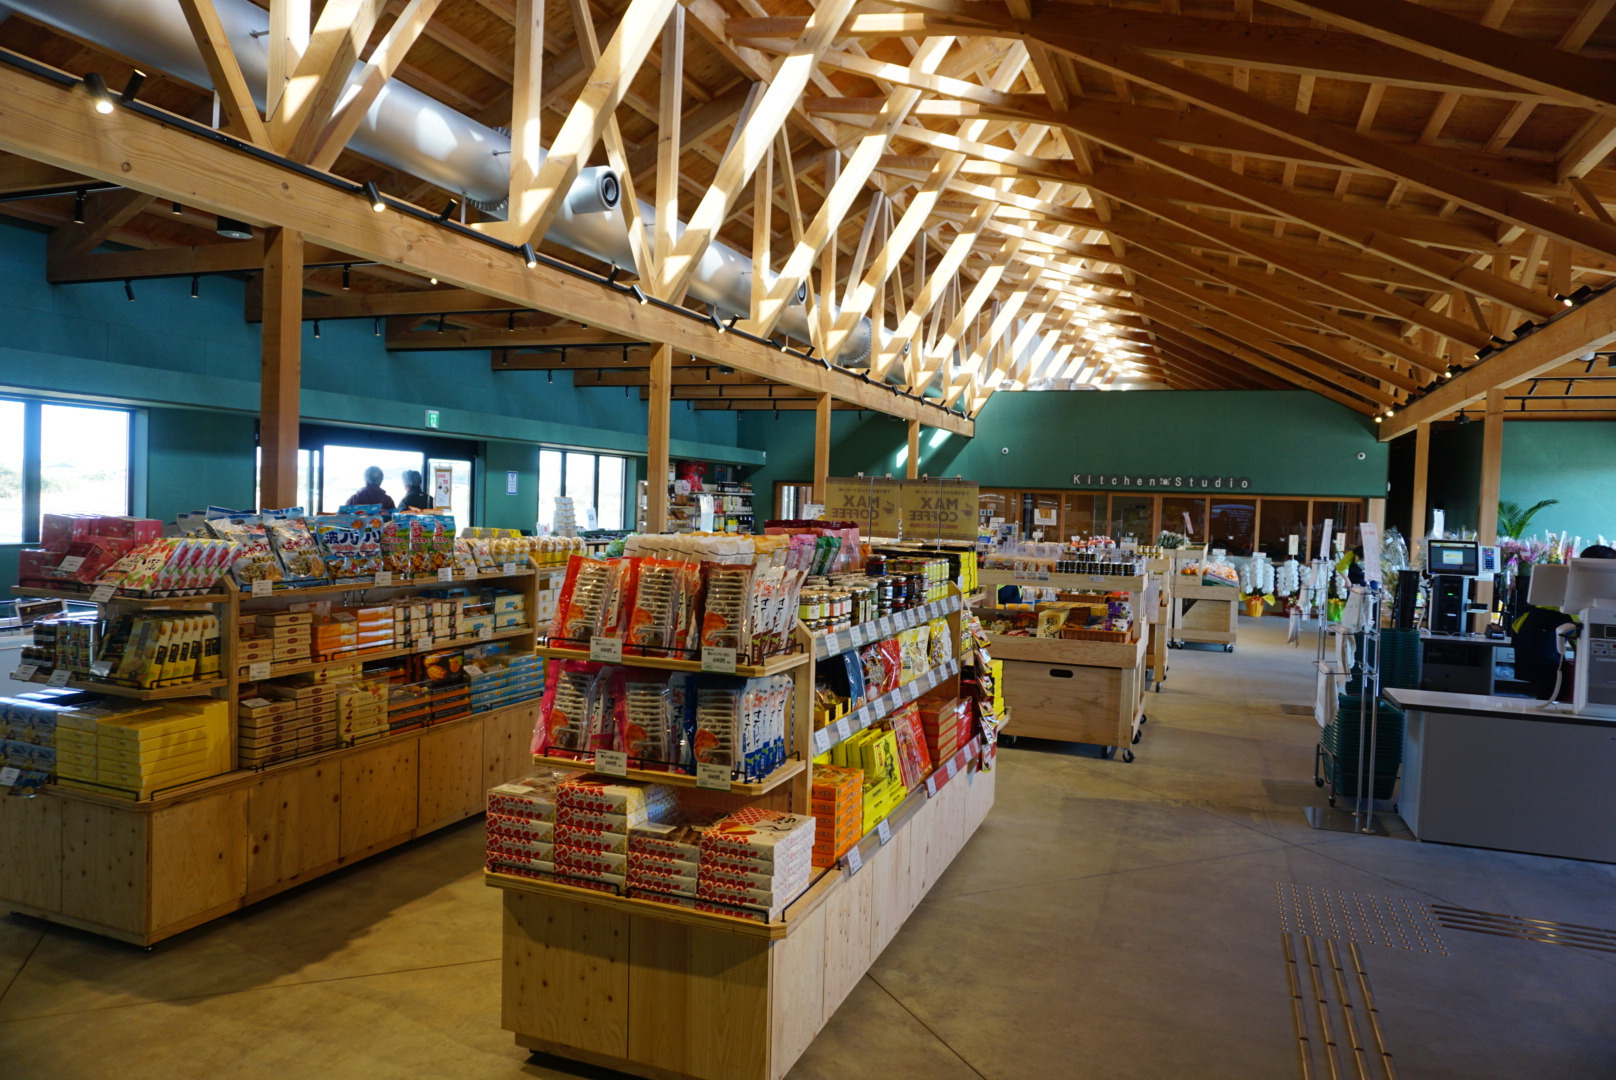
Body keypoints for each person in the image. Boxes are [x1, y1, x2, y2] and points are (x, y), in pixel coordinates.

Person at [1511, 544, 1616, 700]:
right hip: (1541, 630)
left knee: (1554, 685)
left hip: (1539, 627)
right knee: (1554, 684)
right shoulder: (1580, 581)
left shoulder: (1579, 579)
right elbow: (1579, 620)